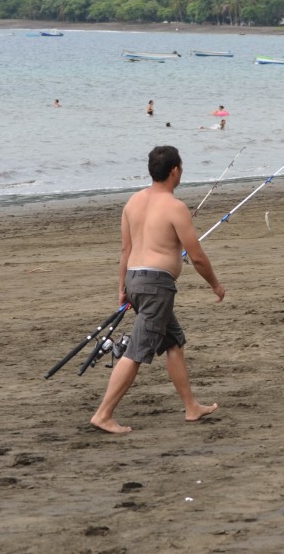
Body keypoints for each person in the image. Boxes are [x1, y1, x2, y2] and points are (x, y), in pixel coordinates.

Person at [90, 146, 225, 434]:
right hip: (156, 287)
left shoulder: (133, 202)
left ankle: (191, 407)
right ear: (175, 170)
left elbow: (126, 250)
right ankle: (103, 414)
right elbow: (197, 255)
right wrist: (216, 285)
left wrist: (122, 288)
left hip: (135, 280)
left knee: (173, 341)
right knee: (137, 351)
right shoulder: (175, 207)